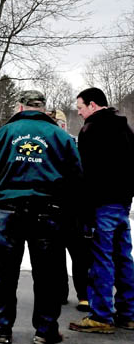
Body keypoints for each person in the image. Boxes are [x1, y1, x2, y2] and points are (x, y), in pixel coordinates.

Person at [0, 90, 82, 344]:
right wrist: (61, 206)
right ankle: (45, 331)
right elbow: (76, 179)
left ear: (20, 107)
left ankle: (1, 328)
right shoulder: (60, 136)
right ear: (44, 109)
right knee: (47, 275)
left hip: (10, 213)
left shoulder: (3, 134)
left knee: (5, 272)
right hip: (48, 214)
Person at [68, 87, 134, 334]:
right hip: (122, 204)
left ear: (93, 105)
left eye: (81, 108)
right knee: (123, 258)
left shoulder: (91, 130)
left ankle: (101, 316)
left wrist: (84, 211)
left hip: (100, 205)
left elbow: (87, 174)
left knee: (101, 262)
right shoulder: (125, 128)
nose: (80, 113)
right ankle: (128, 314)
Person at [47, 110, 91, 312]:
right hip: (54, 208)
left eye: (60, 123)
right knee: (55, 255)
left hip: (74, 208)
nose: (58, 127)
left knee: (79, 255)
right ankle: (60, 292)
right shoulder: (45, 146)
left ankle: (83, 294)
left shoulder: (74, 144)